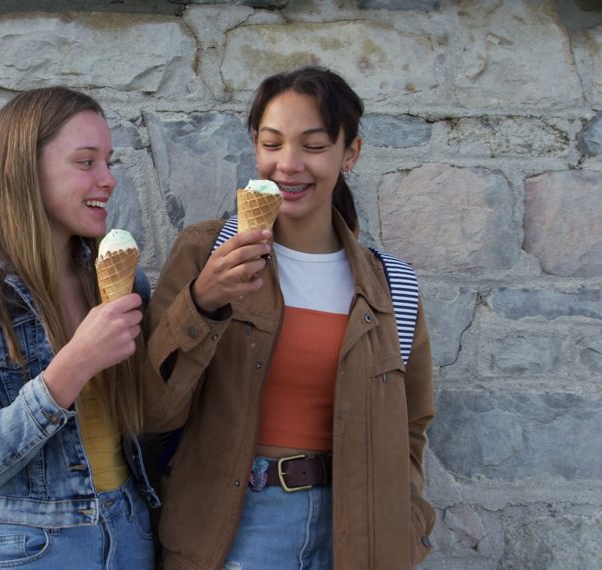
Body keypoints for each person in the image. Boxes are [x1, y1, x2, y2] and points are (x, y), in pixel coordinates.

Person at [143, 66, 436, 569]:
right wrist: (203, 302)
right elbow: (152, 410)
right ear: (255, 146)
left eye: (315, 146)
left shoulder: (393, 287)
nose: (289, 164)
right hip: (235, 531)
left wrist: (406, 521)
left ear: (351, 153)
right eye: (272, 143)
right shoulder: (205, 252)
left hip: (361, 536)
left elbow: (411, 426)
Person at [0, 86, 158, 570]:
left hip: (131, 529)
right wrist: (74, 364)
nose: (109, 179)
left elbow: (156, 414)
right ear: (25, 171)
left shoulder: (119, 277)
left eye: (109, 161)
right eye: (86, 162)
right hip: (31, 546)